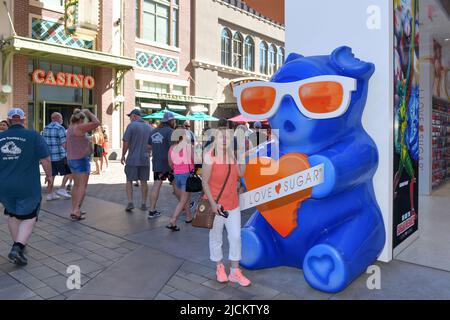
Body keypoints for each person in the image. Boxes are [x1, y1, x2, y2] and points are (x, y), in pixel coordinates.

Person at [0, 108, 53, 266]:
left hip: (4, 185)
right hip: (27, 184)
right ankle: (18, 247)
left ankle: (19, 246)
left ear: (9, 121)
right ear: (23, 120)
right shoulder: (34, 136)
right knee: (30, 216)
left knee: (12, 214)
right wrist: (49, 177)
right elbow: (46, 159)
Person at [201, 128, 251, 286]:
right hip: (216, 206)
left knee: (235, 236)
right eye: (221, 137)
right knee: (216, 237)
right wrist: (213, 204)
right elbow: (204, 182)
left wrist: (243, 155)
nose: (224, 140)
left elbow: (241, 173)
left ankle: (235, 271)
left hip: (233, 204)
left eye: (228, 137)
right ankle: (219, 267)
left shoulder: (233, 156)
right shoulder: (210, 157)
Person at [66, 109, 100, 220]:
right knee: (82, 186)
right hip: (80, 160)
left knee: (76, 185)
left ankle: (75, 208)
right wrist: (89, 112)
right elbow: (96, 123)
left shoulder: (70, 129)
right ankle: (76, 211)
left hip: (72, 159)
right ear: (81, 119)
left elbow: (64, 145)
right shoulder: (79, 127)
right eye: (84, 120)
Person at [121, 109, 152, 212]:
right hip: (145, 158)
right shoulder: (149, 127)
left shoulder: (131, 126)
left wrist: (122, 155)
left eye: (130, 117)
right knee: (144, 181)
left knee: (129, 180)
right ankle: (143, 203)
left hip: (133, 158)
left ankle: (130, 202)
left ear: (134, 116)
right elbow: (151, 144)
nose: (130, 119)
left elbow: (126, 142)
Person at [148, 112, 175, 218]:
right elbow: (173, 148)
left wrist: (157, 148)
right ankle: (184, 204)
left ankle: (152, 210)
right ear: (170, 121)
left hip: (157, 162)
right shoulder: (171, 132)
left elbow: (148, 146)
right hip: (168, 163)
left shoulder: (154, 131)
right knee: (176, 184)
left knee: (157, 185)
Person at [166, 131, 194, 231]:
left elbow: (170, 163)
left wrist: (177, 168)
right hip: (187, 175)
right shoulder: (189, 146)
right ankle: (173, 220)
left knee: (185, 197)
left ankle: (189, 216)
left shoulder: (171, 148)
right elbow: (195, 159)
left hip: (176, 175)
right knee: (183, 200)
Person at [42, 112, 72, 201]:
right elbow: (64, 143)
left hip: (49, 157)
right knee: (70, 172)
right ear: (58, 118)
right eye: (61, 118)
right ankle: (62, 188)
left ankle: (50, 194)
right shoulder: (60, 128)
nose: (62, 120)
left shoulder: (45, 128)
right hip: (60, 155)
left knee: (51, 175)